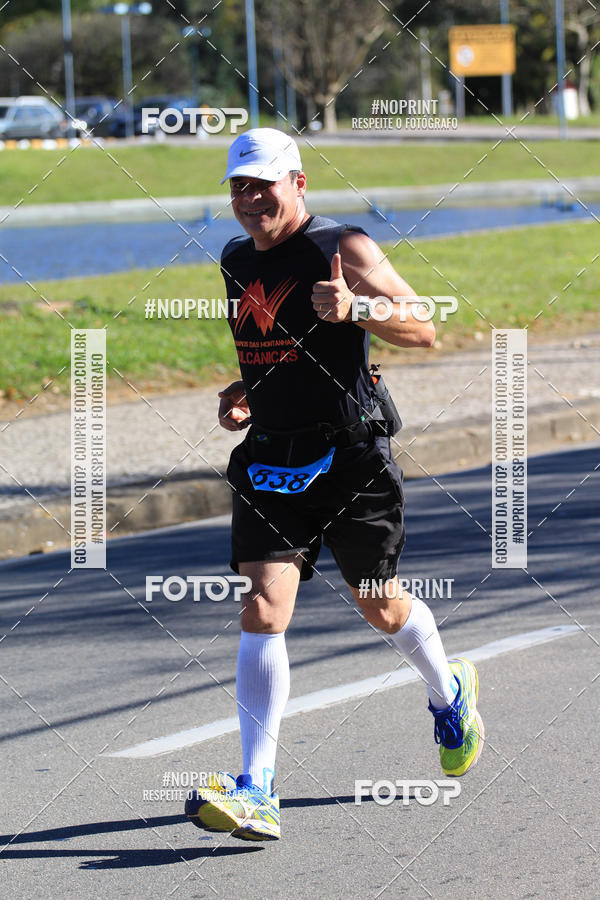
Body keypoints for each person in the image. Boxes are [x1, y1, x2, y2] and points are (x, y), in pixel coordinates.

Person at [185, 128, 484, 842]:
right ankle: (257, 787)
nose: (250, 199)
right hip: (270, 458)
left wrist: (359, 311)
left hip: (351, 459)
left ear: (298, 183)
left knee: (379, 605)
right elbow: (276, 348)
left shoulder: (343, 247)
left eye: (263, 184)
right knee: (263, 604)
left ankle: (449, 694)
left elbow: (423, 327)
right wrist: (247, 392)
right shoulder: (233, 259)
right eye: (238, 186)